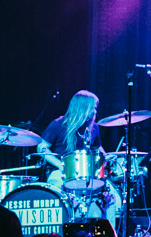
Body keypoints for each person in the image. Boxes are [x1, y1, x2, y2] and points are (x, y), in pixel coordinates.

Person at [38, 90, 119, 223]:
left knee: (111, 196)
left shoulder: (93, 127)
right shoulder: (58, 124)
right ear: (82, 107)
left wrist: (106, 158)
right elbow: (41, 147)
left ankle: (109, 234)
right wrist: (60, 165)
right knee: (57, 191)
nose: (95, 111)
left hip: (88, 173)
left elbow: (97, 148)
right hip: (61, 172)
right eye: (93, 107)